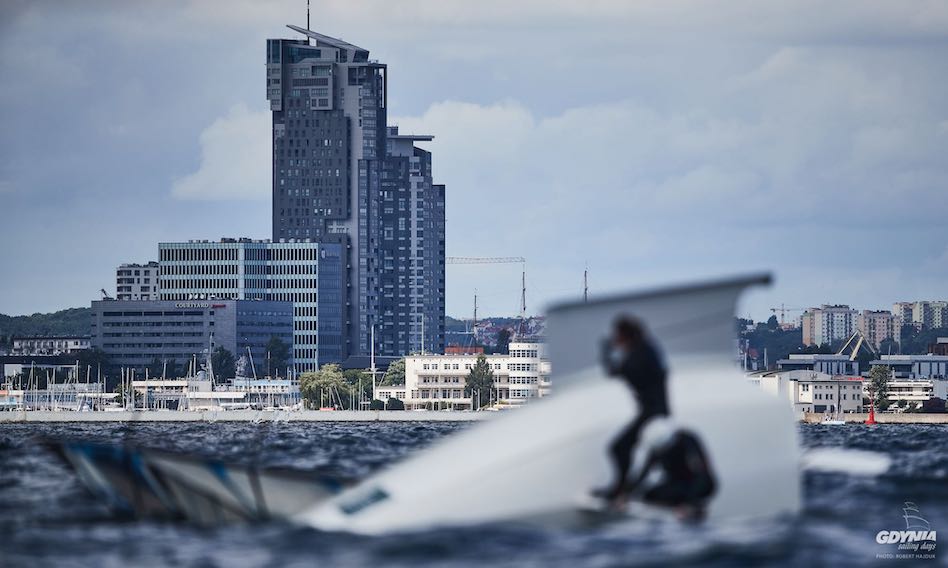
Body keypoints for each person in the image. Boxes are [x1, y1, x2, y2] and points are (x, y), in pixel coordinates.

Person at [595, 316, 669, 501]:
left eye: (617, 334)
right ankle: (624, 490)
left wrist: (607, 351)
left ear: (624, 335)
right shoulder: (642, 350)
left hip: (654, 413)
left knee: (621, 448)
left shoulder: (640, 353)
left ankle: (623, 491)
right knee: (626, 449)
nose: (615, 337)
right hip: (653, 412)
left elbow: (617, 372)